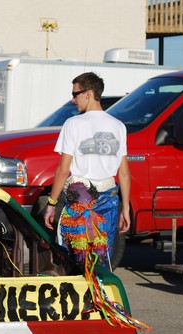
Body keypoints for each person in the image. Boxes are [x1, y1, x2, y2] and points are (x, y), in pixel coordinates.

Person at [44, 72, 130, 267]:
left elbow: (63, 170)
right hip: (109, 200)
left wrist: (51, 203)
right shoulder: (118, 126)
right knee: (100, 259)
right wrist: (125, 208)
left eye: (76, 94)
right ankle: (97, 295)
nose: (73, 99)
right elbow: (123, 172)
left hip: (79, 201)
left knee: (74, 258)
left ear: (89, 93)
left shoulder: (73, 124)